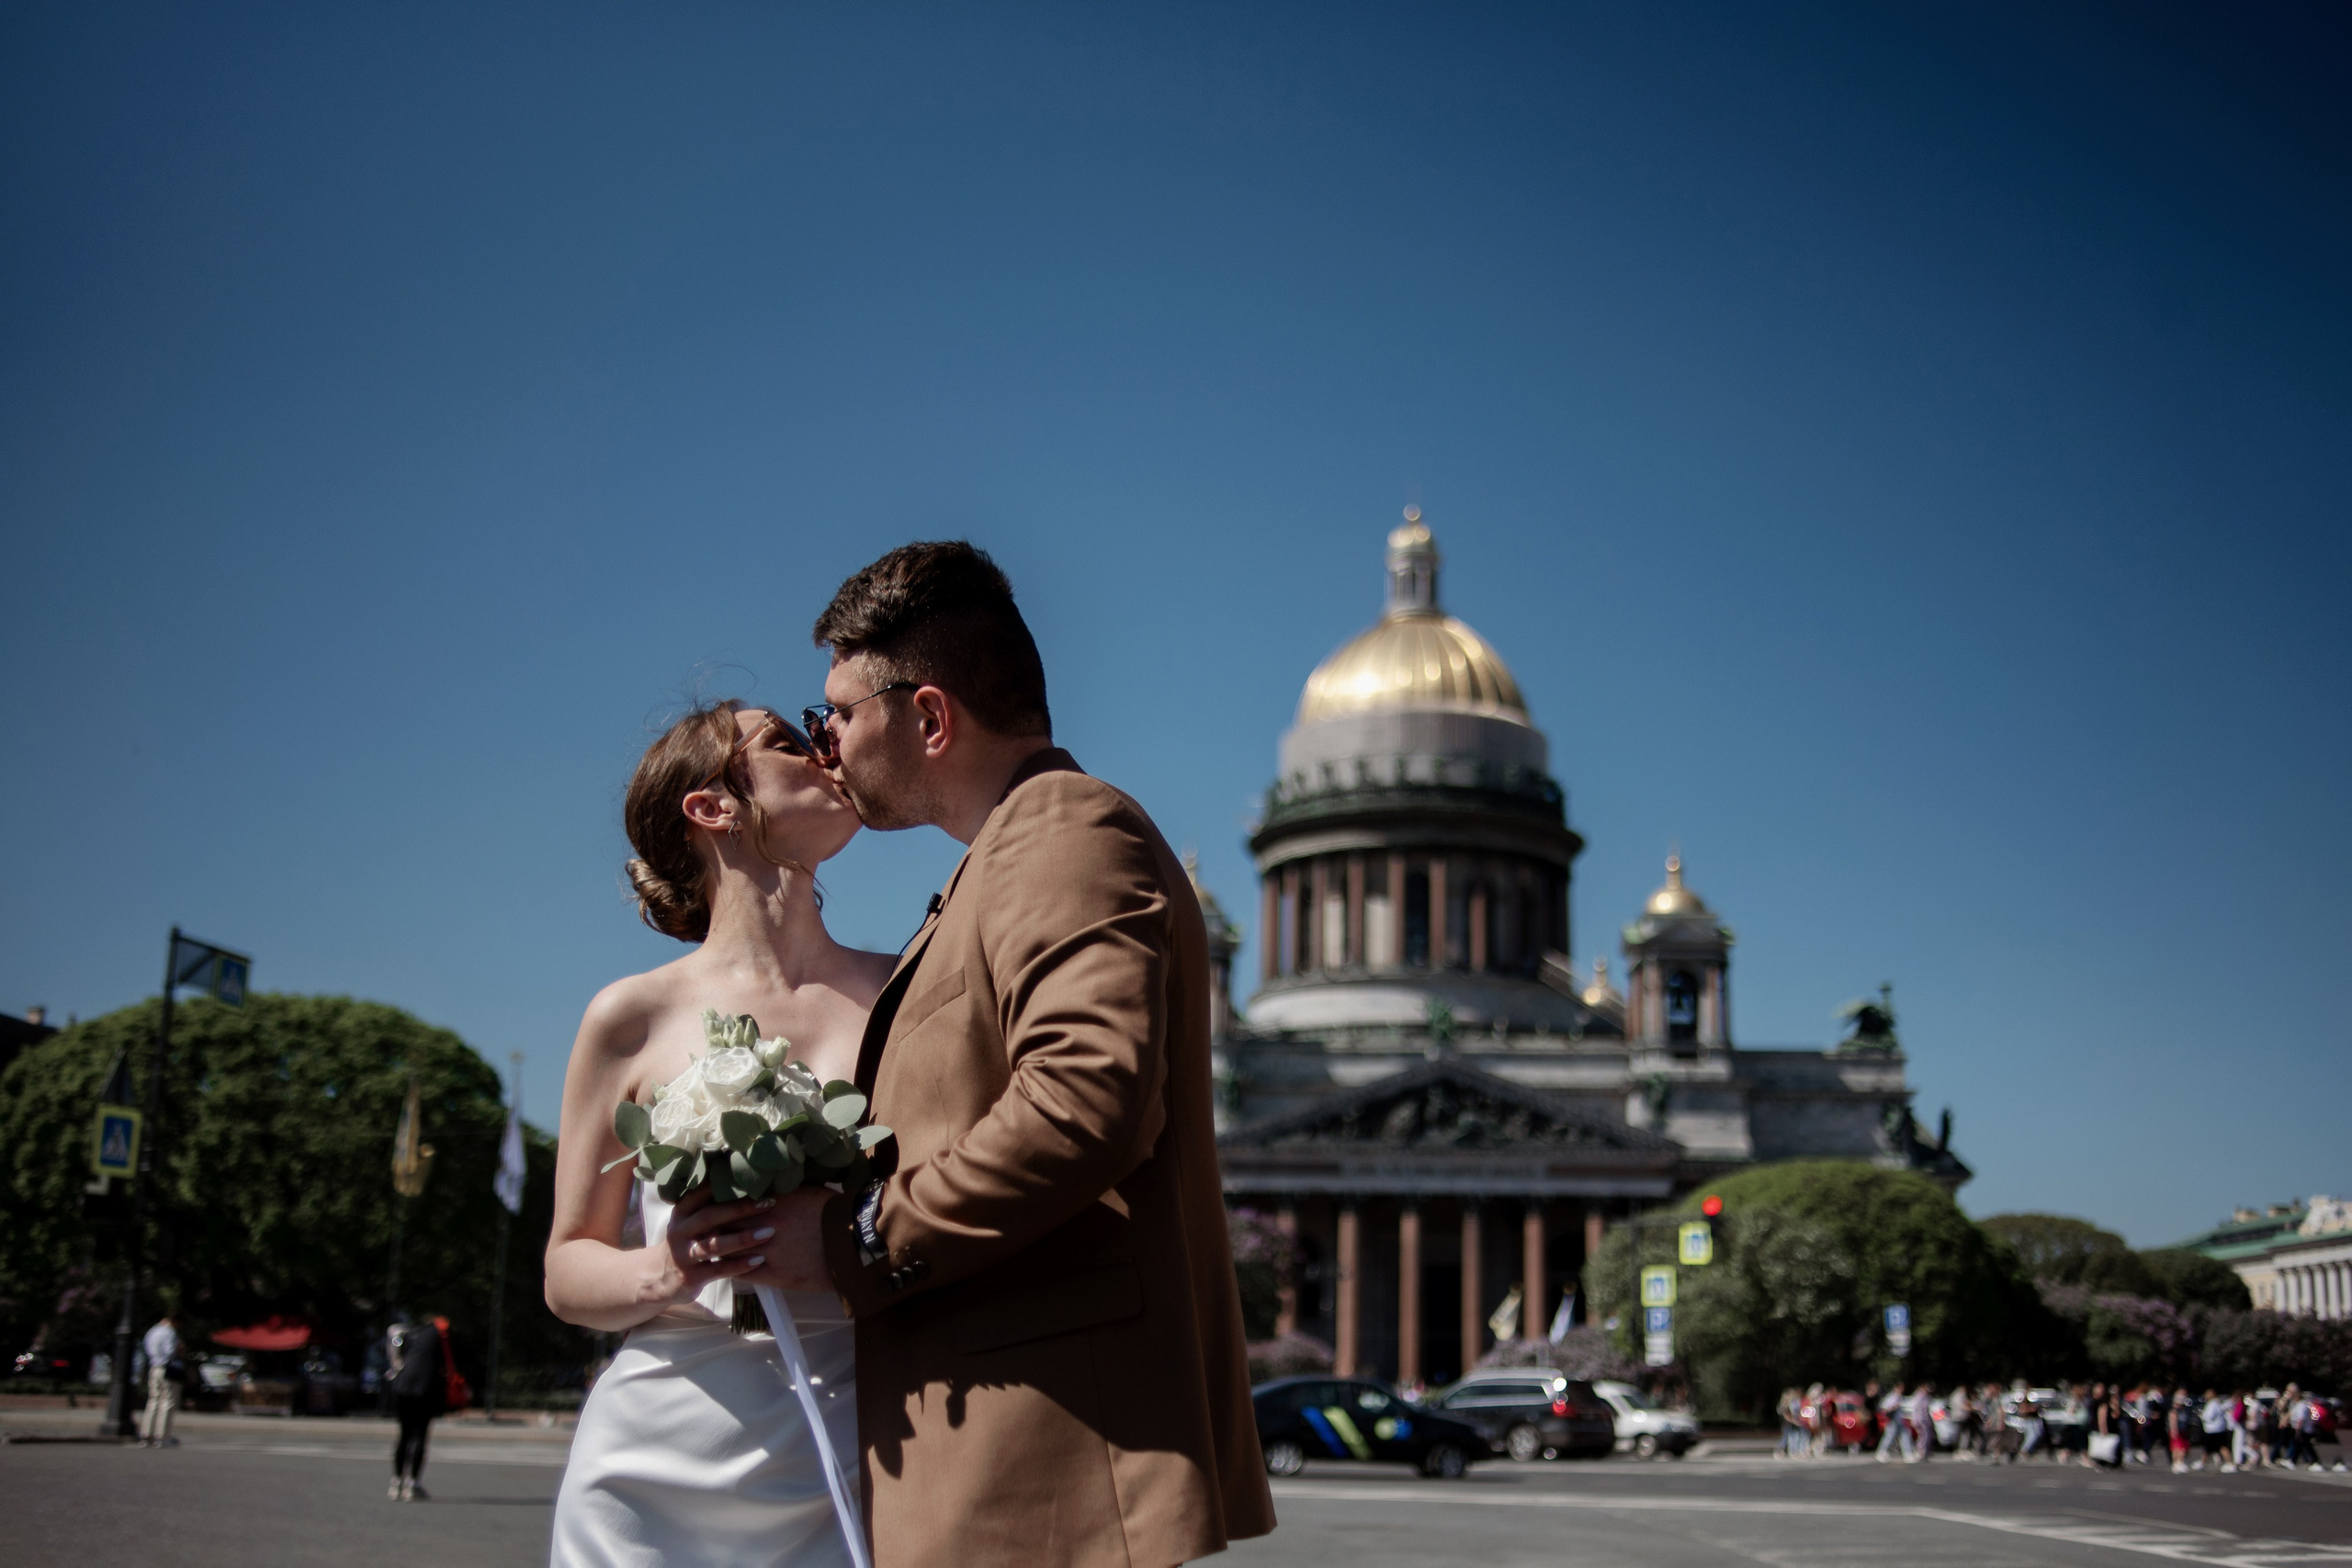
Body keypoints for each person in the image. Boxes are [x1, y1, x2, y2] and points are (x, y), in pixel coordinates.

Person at [760, 542, 1276, 1567]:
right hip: (1002, 1467)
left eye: (839, 715)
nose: (826, 746)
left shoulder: (1062, 829)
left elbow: (1084, 1102)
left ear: (931, 717)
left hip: (1050, 1477)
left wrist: (852, 1238)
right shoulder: (993, 866)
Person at [545, 698, 895, 1565]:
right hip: (655, 1457)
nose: (828, 751)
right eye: (786, 741)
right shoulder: (629, 1016)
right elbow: (567, 1264)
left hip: (853, 1441)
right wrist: (666, 1266)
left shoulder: (906, 991)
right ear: (713, 807)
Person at [385, 1312, 446, 1499]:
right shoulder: (439, 1335)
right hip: (425, 1386)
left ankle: (396, 1483)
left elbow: (397, 1358)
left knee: (404, 1434)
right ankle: (412, 1484)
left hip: (403, 1385)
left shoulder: (408, 1332)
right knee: (420, 1434)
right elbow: (445, 1362)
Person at [138, 1310, 182, 1448]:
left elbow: (146, 1348)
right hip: (166, 1368)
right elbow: (169, 1351)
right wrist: (179, 1349)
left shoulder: (153, 1331)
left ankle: (146, 1434)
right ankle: (161, 1436)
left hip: (154, 1367)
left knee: (153, 1401)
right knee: (167, 1402)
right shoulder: (169, 1332)